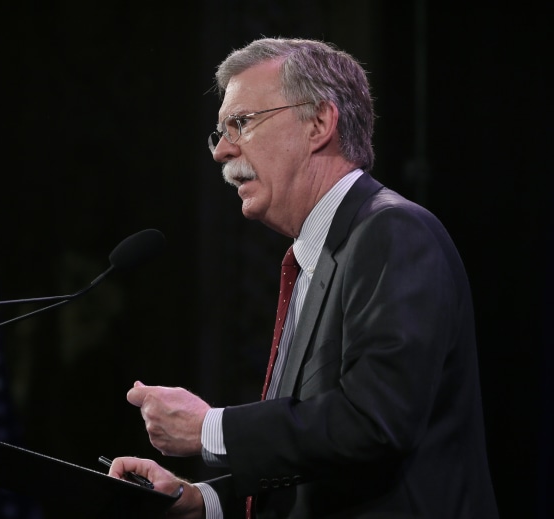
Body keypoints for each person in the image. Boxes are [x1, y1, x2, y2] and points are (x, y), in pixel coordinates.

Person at [107, 37, 498, 519]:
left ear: (319, 123)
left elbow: (375, 422)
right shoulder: (319, 253)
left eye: (242, 123)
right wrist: (203, 501)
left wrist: (212, 429)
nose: (221, 151)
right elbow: (314, 457)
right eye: (220, 132)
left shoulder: (393, 232)